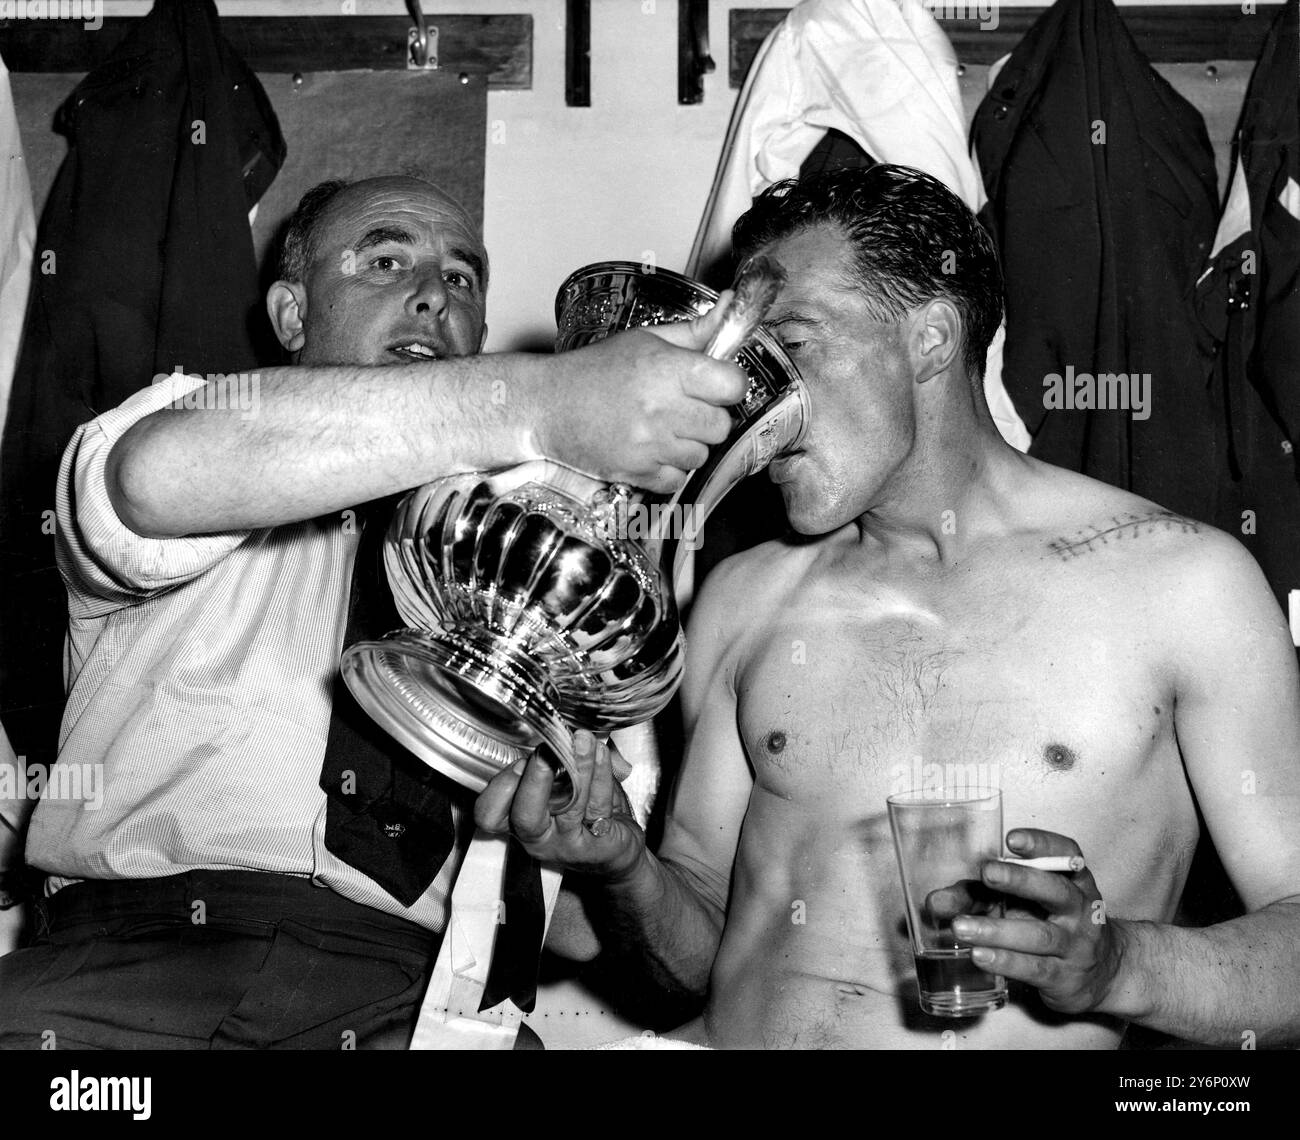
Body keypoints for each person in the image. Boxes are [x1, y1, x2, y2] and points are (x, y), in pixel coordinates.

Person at [477, 165, 1300, 1049]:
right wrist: (622, 867)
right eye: (740, 362)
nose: (749, 399)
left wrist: (1118, 967)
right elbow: (699, 946)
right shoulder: (744, 596)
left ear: (932, 340)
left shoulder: (1184, 584)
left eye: (792, 343)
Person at [0, 174, 748, 1048]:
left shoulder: (541, 582)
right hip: (128, 970)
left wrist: (615, 864)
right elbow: (151, 479)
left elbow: (654, 964)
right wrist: (540, 403)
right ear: (291, 314)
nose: (435, 292)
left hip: (412, 999)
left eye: (463, 278)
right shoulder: (189, 419)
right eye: (385, 259)